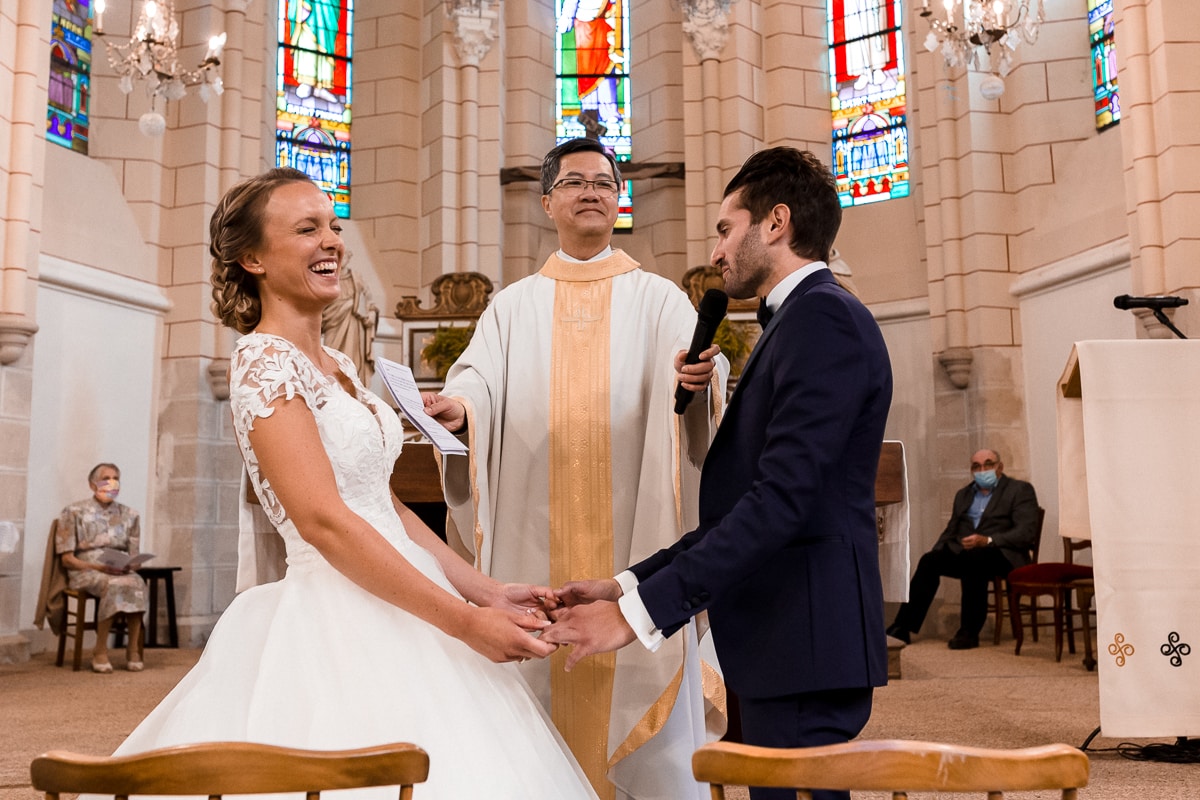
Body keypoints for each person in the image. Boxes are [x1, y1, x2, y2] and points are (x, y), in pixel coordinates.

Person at [102, 167, 598, 800]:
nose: (332, 240)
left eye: (334, 225)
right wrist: (462, 622)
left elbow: (382, 503)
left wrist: (486, 592)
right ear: (252, 257)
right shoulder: (264, 361)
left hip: (405, 594)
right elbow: (325, 521)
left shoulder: (336, 362)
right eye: (307, 229)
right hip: (337, 613)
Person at [540, 146, 894, 800]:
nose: (719, 251)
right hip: (782, 639)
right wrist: (623, 587)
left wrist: (639, 614)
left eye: (726, 229)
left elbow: (779, 504)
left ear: (776, 222)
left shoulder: (823, 319)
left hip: (804, 637)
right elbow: (741, 509)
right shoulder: (794, 321)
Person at [422, 137, 726, 800]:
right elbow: (476, 381)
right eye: (574, 182)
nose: (590, 192)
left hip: (635, 534)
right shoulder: (512, 305)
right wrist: (461, 409)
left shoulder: (660, 298)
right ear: (548, 203)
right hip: (535, 530)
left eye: (602, 182)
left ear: (620, 200)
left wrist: (702, 377)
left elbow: (700, 363)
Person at [886, 448, 1040, 650]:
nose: (982, 469)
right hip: (967, 552)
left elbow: (1026, 532)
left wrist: (989, 540)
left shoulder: (1019, 490)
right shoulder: (964, 494)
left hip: (1003, 554)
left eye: (988, 464)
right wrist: (939, 550)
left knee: (975, 559)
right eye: (977, 466)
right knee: (929, 561)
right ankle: (902, 627)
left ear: (999, 467)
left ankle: (969, 632)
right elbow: (951, 530)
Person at [54, 463, 147, 673]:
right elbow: (67, 559)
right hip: (85, 569)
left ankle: (133, 650)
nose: (111, 482)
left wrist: (131, 565)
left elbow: (134, 555)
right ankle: (100, 650)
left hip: (118, 568)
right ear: (92, 484)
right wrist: (97, 566)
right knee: (112, 584)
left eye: (115, 478)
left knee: (137, 582)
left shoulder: (130, 514)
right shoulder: (73, 512)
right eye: (106, 477)